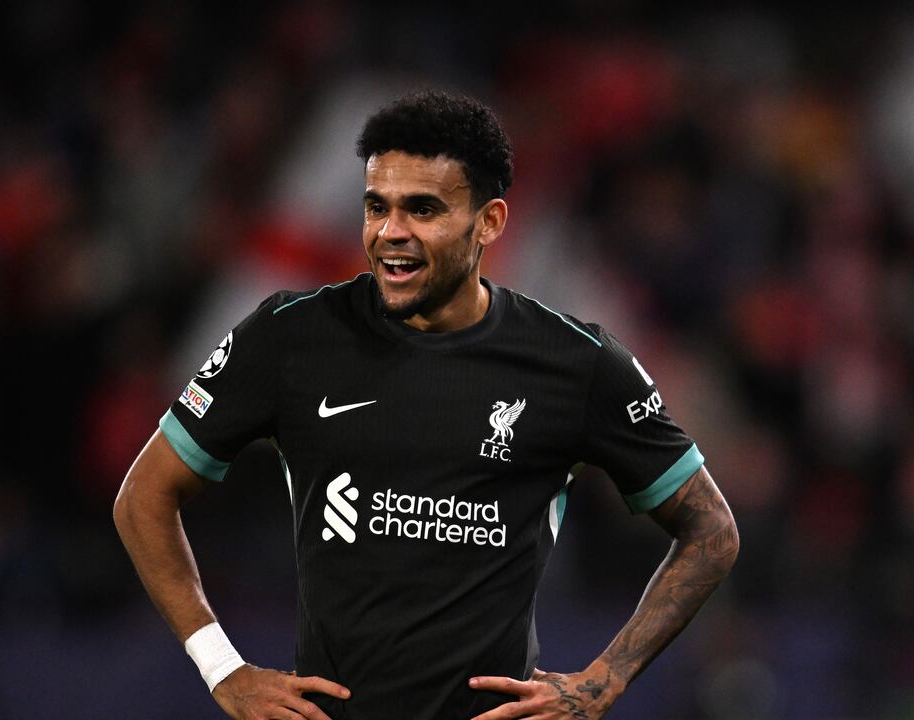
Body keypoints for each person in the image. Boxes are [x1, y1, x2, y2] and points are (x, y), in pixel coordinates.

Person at [114, 89, 739, 720]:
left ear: (490, 222)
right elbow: (143, 496)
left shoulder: (574, 362)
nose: (391, 234)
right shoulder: (290, 337)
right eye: (376, 207)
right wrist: (224, 670)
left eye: (423, 210)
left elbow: (712, 532)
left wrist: (604, 681)